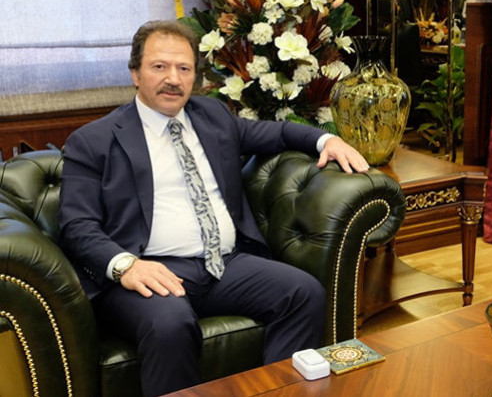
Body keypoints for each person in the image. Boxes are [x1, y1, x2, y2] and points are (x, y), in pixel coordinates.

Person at [58, 20, 370, 396]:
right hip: (149, 270)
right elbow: (76, 225)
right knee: (169, 325)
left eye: (184, 68)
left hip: (225, 264)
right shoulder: (94, 140)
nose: (173, 79)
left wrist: (327, 141)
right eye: (159, 66)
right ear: (135, 74)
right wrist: (126, 266)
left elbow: (278, 132)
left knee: (304, 293)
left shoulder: (213, 117)